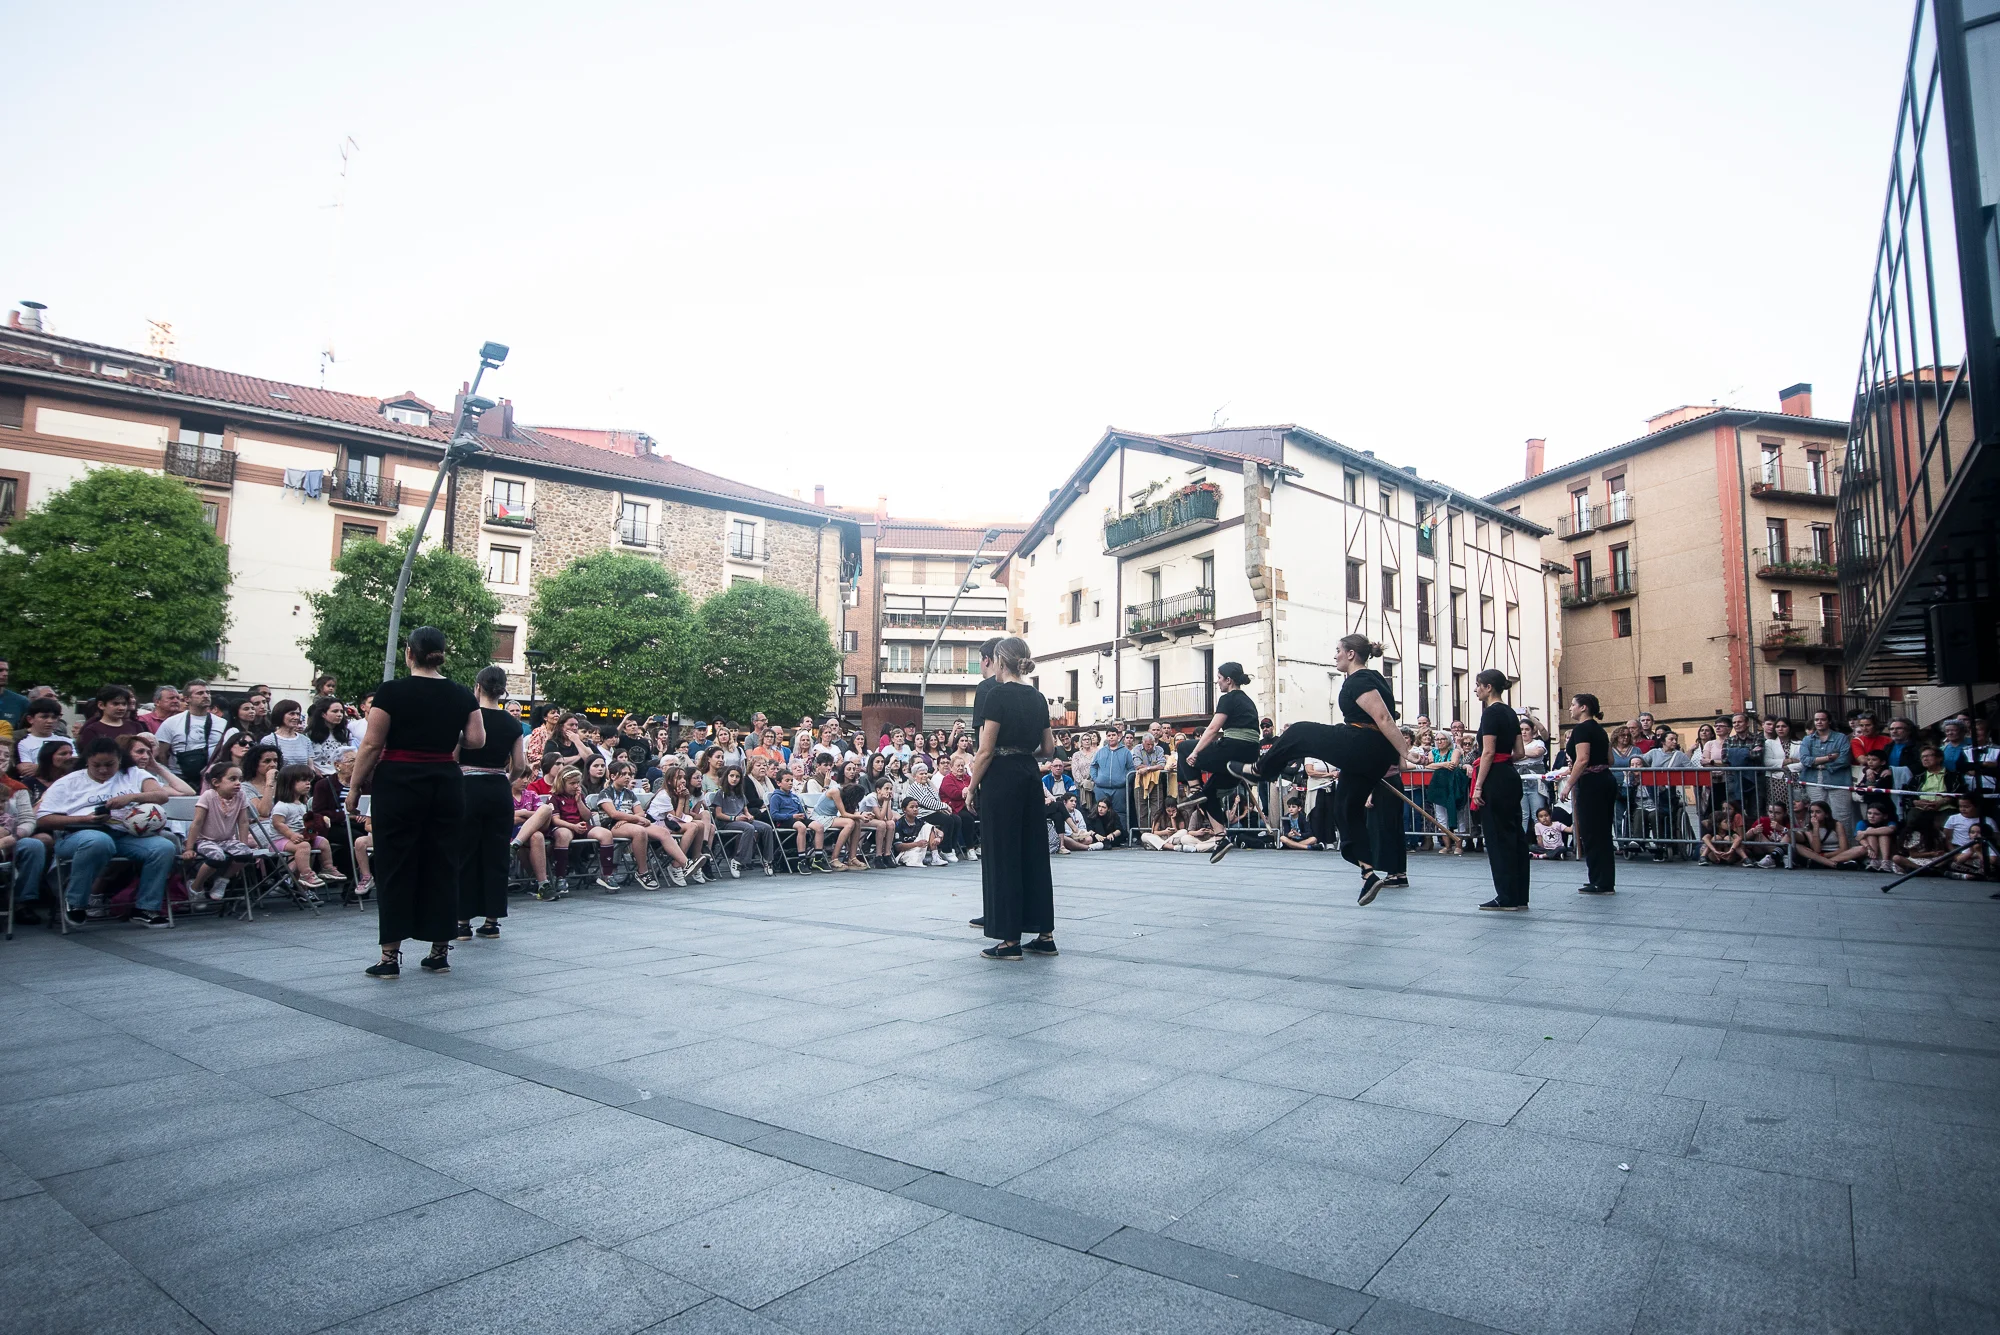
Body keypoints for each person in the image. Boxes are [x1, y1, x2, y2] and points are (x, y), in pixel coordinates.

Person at [346, 627, 485, 979]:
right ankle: (439, 952)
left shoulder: (391, 691)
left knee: (395, 863)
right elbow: (476, 739)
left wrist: (355, 787)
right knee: (443, 862)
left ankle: (390, 957)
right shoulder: (461, 693)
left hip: (399, 782)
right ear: (442, 654)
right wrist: (442, 733)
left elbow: (372, 744)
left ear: (409, 653)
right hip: (444, 781)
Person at [1227, 635, 1406, 903]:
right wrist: (1396, 755)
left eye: (1338, 650)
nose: (1335, 655)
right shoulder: (1376, 679)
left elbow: (1383, 717)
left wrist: (1405, 752)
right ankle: (1368, 873)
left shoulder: (1360, 679)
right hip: (1372, 756)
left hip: (1362, 743)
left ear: (1351, 654)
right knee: (1345, 809)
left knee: (1299, 732)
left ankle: (1260, 769)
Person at [966, 636, 1057, 960]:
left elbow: (985, 750)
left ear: (1000, 661)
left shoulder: (996, 694)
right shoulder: (1038, 697)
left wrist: (972, 787)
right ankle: (1045, 935)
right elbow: (1048, 749)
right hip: (1029, 776)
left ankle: (1009, 942)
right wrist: (1022, 750)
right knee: (1034, 853)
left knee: (1003, 855)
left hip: (1002, 779)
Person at [33, 737, 176, 928]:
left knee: (163, 847)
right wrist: (84, 819)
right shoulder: (68, 782)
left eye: (109, 765)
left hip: (124, 835)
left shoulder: (133, 773)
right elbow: (43, 819)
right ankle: (75, 902)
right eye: (97, 765)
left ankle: (146, 908)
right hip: (78, 834)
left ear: (119, 760)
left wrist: (131, 797)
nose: (103, 770)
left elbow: (161, 796)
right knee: (99, 841)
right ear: (87, 761)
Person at [455, 666, 524, 938]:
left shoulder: (467, 717)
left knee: (465, 852)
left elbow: (453, 757)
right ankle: (491, 920)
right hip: (498, 789)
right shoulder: (512, 723)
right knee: (496, 854)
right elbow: (520, 765)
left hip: (468, 787)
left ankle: (462, 921)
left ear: (478, 687)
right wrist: (506, 779)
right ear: (503, 690)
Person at [1175, 661, 1263, 850]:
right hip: (1249, 754)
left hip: (1233, 748)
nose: (1217, 682)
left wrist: (1195, 752)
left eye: (1219, 678)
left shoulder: (1228, 698)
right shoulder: (1248, 701)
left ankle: (1195, 790)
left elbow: (1213, 728)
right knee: (1210, 793)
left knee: (1183, 748)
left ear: (1228, 680)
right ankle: (1221, 838)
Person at [1468, 668, 1530, 910]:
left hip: (1494, 777)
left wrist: (1478, 786)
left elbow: (1488, 752)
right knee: (1514, 835)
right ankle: (1520, 895)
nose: (1476, 689)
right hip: (1510, 775)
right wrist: (1505, 762)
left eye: (1478, 685)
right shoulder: (1511, 713)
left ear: (1488, 687)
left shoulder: (1490, 713)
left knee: (1497, 837)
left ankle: (1506, 896)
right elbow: (1520, 752)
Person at [1557, 693, 1616, 895]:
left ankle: (1599, 880)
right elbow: (1610, 760)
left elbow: (1582, 759)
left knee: (1591, 832)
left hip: (1591, 783)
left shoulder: (1581, 729)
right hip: (1605, 779)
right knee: (1603, 832)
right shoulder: (1600, 730)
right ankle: (1604, 880)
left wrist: (1568, 785)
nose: (1570, 708)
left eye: (1573, 705)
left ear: (1584, 708)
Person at [75, 685, 145, 751]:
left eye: (124, 704)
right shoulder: (92, 730)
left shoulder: (136, 726)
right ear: (101, 705)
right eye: (115, 704)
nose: (121, 708)